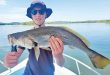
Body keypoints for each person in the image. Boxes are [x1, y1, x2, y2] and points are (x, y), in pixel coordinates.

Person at [4, 1, 65, 75]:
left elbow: (61, 64)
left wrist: (58, 56)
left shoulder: (53, 34)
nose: (38, 15)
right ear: (31, 15)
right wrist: (9, 61)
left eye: (41, 11)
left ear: (45, 14)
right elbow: (15, 55)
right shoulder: (24, 36)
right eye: (34, 12)